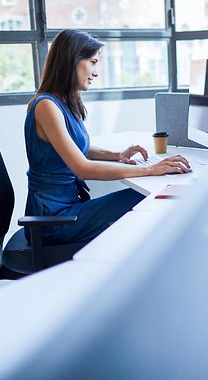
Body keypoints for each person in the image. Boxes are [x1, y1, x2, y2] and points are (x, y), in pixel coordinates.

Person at [24, 29, 190, 245]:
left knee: (148, 202)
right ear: (70, 60)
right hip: (52, 220)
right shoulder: (46, 106)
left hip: (65, 209)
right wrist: (150, 169)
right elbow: (83, 168)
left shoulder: (62, 103)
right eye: (92, 62)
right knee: (151, 199)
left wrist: (117, 155)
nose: (95, 72)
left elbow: (75, 147)